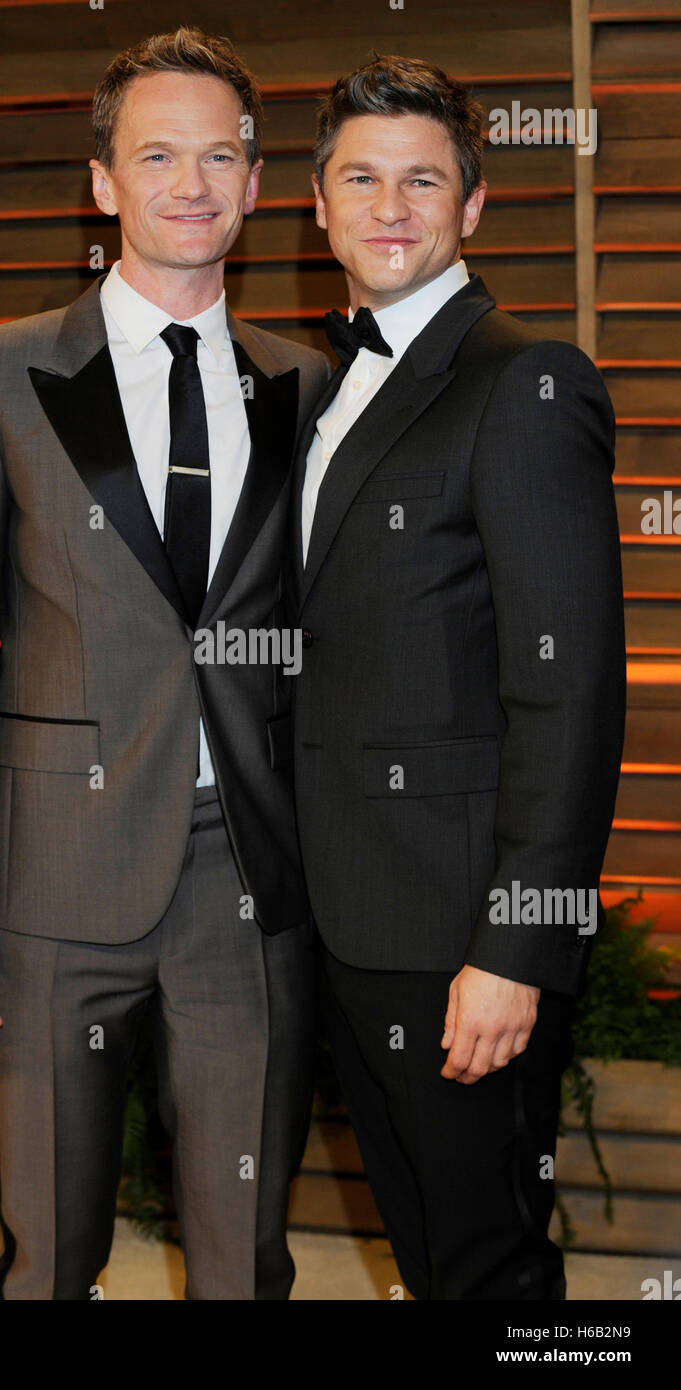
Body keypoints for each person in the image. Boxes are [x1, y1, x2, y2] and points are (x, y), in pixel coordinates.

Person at [0, 26, 330, 1301]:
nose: (190, 183)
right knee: (51, 1257)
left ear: (255, 186)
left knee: (244, 1259)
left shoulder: (307, 387)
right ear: (103, 183)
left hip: (245, 888)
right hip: (47, 891)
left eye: (219, 156)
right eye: (156, 155)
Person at [288, 54, 626, 1300]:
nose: (389, 206)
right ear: (315, 205)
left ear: (471, 207)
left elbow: (573, 691)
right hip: (346, 924)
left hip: (459, 942)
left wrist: (515, 950)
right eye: (360, 178)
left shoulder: (523, 381)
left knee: (486, 1267)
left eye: (421, 179)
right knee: (430, 1260)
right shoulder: (323, 391)